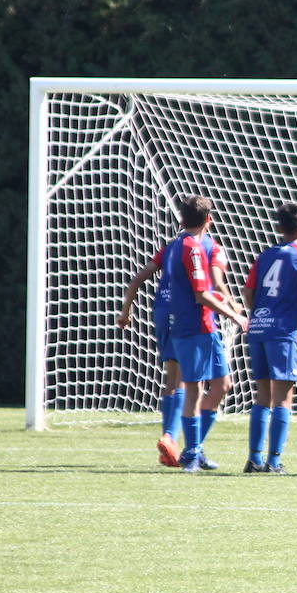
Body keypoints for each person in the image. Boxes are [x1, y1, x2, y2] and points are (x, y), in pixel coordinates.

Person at [117, 197, 237, 468]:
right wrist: (232, 306)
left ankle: (173, 438)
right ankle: (187, 448)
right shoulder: (205, 247)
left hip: (164, 311)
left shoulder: (171, 247)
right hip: (193, 318)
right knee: (192, 385)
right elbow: (213, 285)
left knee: (178, 380)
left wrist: (126, 310)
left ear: (181, 220)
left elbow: (139, 277)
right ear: (209, 219)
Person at [158, 195, 249, 473]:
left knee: (223, 385)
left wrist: (226, 304)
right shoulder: (192, 249)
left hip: (202, 327)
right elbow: (200, 295)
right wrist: (234, 313)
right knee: (194, 390)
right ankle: (191, 453)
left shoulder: (177, 247)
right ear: (208, 220)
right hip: (193, 328)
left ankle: (192, 448)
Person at [241, 202, 297, 475]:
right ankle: (274, 462)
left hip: (259, 328)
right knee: (284, 398)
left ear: (278, 228)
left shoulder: (264, 256)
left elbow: (248, 292)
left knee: (262, 395)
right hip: (283, 331)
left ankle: (253, 460)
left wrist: (260, 314)